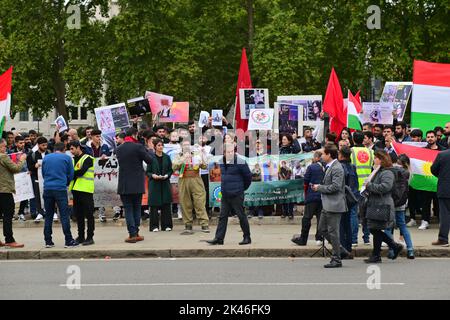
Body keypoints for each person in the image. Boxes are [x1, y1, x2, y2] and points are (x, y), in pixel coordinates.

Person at [311, 144, 351, 268]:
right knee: (322, 229)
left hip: (334, 204)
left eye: (323, 154)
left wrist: (319, 188)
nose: (321, 156)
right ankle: (340, 250)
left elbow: (336, 187)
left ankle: (336, 258)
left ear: (329, 155)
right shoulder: (330, 166)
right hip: (327, 204)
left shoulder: (337, 168)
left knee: (333, 232)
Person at [207, 143, 252, 245]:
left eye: (232, 151)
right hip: (225, 194)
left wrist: (241, 188)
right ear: (224, 152)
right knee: (222, 217)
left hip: (237, 194)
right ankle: (219, 238)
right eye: (228, 152)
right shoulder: (221, 162)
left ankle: (247, 237)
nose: (230, 153)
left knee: (241, 216)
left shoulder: (241, 162)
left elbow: (248, 177)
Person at [363, 150, 403, 263]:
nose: (374, 160)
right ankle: (378, 254)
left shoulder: (387, 172)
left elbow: (386, 187)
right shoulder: (378, 171)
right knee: (375, 228)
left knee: (374, 229)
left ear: (381, 160)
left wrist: (369, 185)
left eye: (376, 158)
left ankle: (392, 247)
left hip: (382, 204)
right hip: (376, 203)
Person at [116, 128, 154, 243]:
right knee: (137, 207)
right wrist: (150, 149)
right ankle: (135, 232)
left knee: (128, 208)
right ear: (134, 134)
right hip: (137, 182)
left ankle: (132, 234)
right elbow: (150, 160)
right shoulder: (138, 147)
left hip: (124, 183)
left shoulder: (118, 149)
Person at [42, 142, 78, 248]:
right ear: (64, 149)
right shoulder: (66, 158)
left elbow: (43, 173)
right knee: (64, 215)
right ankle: (68, 240)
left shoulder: (46, 158)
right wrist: (65, 182)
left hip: (47, 188)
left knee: (48, 215)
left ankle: (48, 241)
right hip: (60, 188)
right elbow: (71, 174)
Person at [172, 140, 210, 234]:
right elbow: (174, 166)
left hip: (196, 178)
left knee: (200, 201)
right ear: (181, 146)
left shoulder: (196, 154)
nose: (186, 146)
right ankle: (188, 225)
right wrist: (183, 159)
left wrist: (202, 157)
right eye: (184, 145)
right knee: (185, 202)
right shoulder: (179, 155)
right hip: (183, 179)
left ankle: (204, 224)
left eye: (188, 144)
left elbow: (205, 166)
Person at [385, 154, 415, 259]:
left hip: (390, 202)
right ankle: (410, 250)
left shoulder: (390, 170)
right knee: (403, 226)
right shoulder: (408, 173)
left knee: (388, 227)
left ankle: (391, 250)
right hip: (401, 203)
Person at [292, 151, 324, 246]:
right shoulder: (326, 167)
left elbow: (306, 180)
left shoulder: (311, 167)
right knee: (320, 218)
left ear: (317, 157)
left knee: (306, 217)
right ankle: (319, 237)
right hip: (323, 196)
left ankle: (303, 238)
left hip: (312, 195)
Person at [0, 138, 27, 248]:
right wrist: (22, 159)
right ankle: (9, 239)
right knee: (8, 215)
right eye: (4, 146)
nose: (5, 148)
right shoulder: (3, 156)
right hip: (5, 189)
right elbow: (16, 168)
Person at [68, 141, 95, 246]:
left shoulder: (88, 158)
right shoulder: (73, 159)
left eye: (72, 149)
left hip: (86, 190)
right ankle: (81, 236)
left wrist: (70, 173)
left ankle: (90, 237)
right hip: (76, 190)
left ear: (78, 148)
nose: (71, 151)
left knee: (89, 215)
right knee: (79, 215)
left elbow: (81, 172)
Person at [350, 131, 374, 246]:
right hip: (367, 186)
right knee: (366, 214)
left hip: (354, 187)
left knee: (354, 213)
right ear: (363, 139)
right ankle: (366, 239)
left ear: (353, 140)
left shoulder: (351, 151)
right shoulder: (370, 151)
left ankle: (354, 239)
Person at [146, 138, 173, 232]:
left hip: (165, 182)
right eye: (159, 145)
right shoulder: (151, 158)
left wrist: (167, 175)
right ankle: (154, 226)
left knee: (166, 204)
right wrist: (153, 175)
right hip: (154, 183)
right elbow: (147, 172)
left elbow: (170, 170)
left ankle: (167, 225)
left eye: (162, 145)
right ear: (155, 147)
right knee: (154, 205)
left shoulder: (167, 157)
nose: (161, 147)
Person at [86, 129, 111, 223]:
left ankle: (102, 213)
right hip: (90, 173)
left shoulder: (105, 146)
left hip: (102, 173)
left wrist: (105, 156)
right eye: (97, 136)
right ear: (91, 137)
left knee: (101, 192)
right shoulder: (87, 147)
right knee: (91, 194)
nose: (99, 138)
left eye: (100, 136)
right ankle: (90, 213)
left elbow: (110, 159)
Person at [338, 146, 358, 256]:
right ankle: (348, 246)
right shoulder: (352, 167)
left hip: (342, 198)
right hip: (351, 198)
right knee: (347, 223)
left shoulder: (340, 166)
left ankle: (343, 248)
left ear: (341, 155)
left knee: (341, 224)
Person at [27, 136, 50, 222]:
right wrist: (34, 166)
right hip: (37, 179)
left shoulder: (49, 153)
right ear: (38, 145)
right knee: (37, 196)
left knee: (48, 196)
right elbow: (29, 167)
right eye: (43, 145)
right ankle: (39, 212)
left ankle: (49, 211)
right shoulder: (33, 155)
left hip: (48, 179)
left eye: (46, 145)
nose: (45, 147)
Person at [431, 146, 450, 247]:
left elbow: (433, 169)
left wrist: (442, 175)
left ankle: (443, 239)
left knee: (445, 214)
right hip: (445, 188)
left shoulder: (442, 155)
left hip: (445, 189)